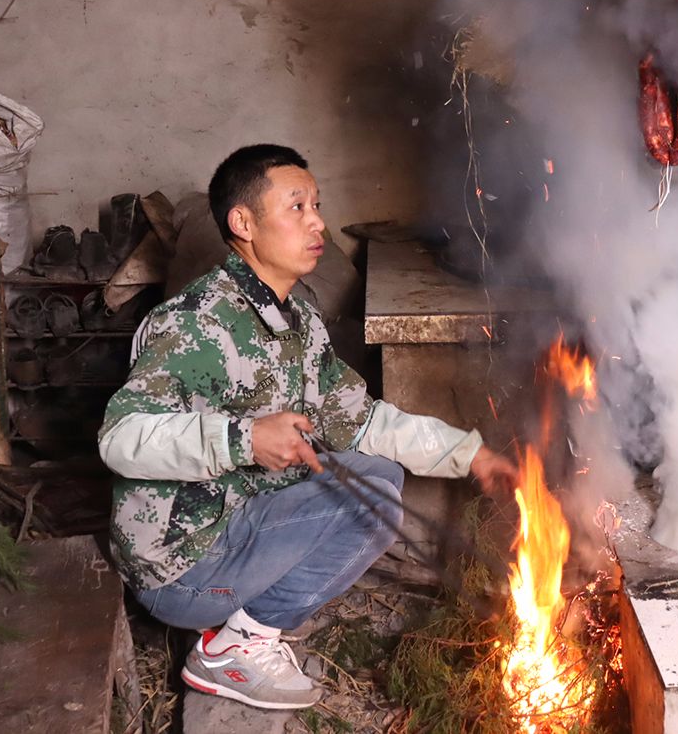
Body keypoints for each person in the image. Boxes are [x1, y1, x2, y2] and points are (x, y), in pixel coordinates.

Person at [98, 144, 517, 710]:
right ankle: (234, 647)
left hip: (236, 520)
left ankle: (248, 624)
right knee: (373, 505)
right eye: (297, 207)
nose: (317, 220)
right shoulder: (195, 323)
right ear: (242, 223)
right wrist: (242, 440)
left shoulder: (297, 322)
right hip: (179, 565)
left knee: (374, 474)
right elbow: (119, 439)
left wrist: (470, 456)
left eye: (316, 204)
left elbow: (363, 420)